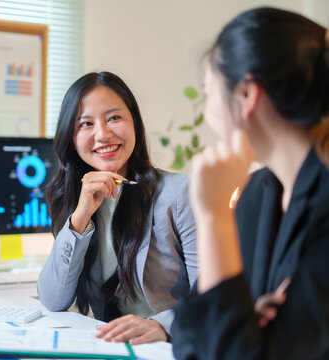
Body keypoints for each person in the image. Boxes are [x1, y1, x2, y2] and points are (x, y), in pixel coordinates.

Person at [170, 7, 329, 359]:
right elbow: (190, 339)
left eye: (208, 93)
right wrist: (241, 325)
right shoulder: (258, 193)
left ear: (246, 95)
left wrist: (213, 216)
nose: (209, 110)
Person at [37, 71, 198, 344]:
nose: (102, 134)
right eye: (86, 123)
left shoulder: (180, 194)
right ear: (71, 138)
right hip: (112, 347)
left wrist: (162, 327)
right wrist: (80, 218)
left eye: (114, 118)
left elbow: (214, 292)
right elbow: (53, 299)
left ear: (134, 122)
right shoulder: (74, 198)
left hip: (172, 346)